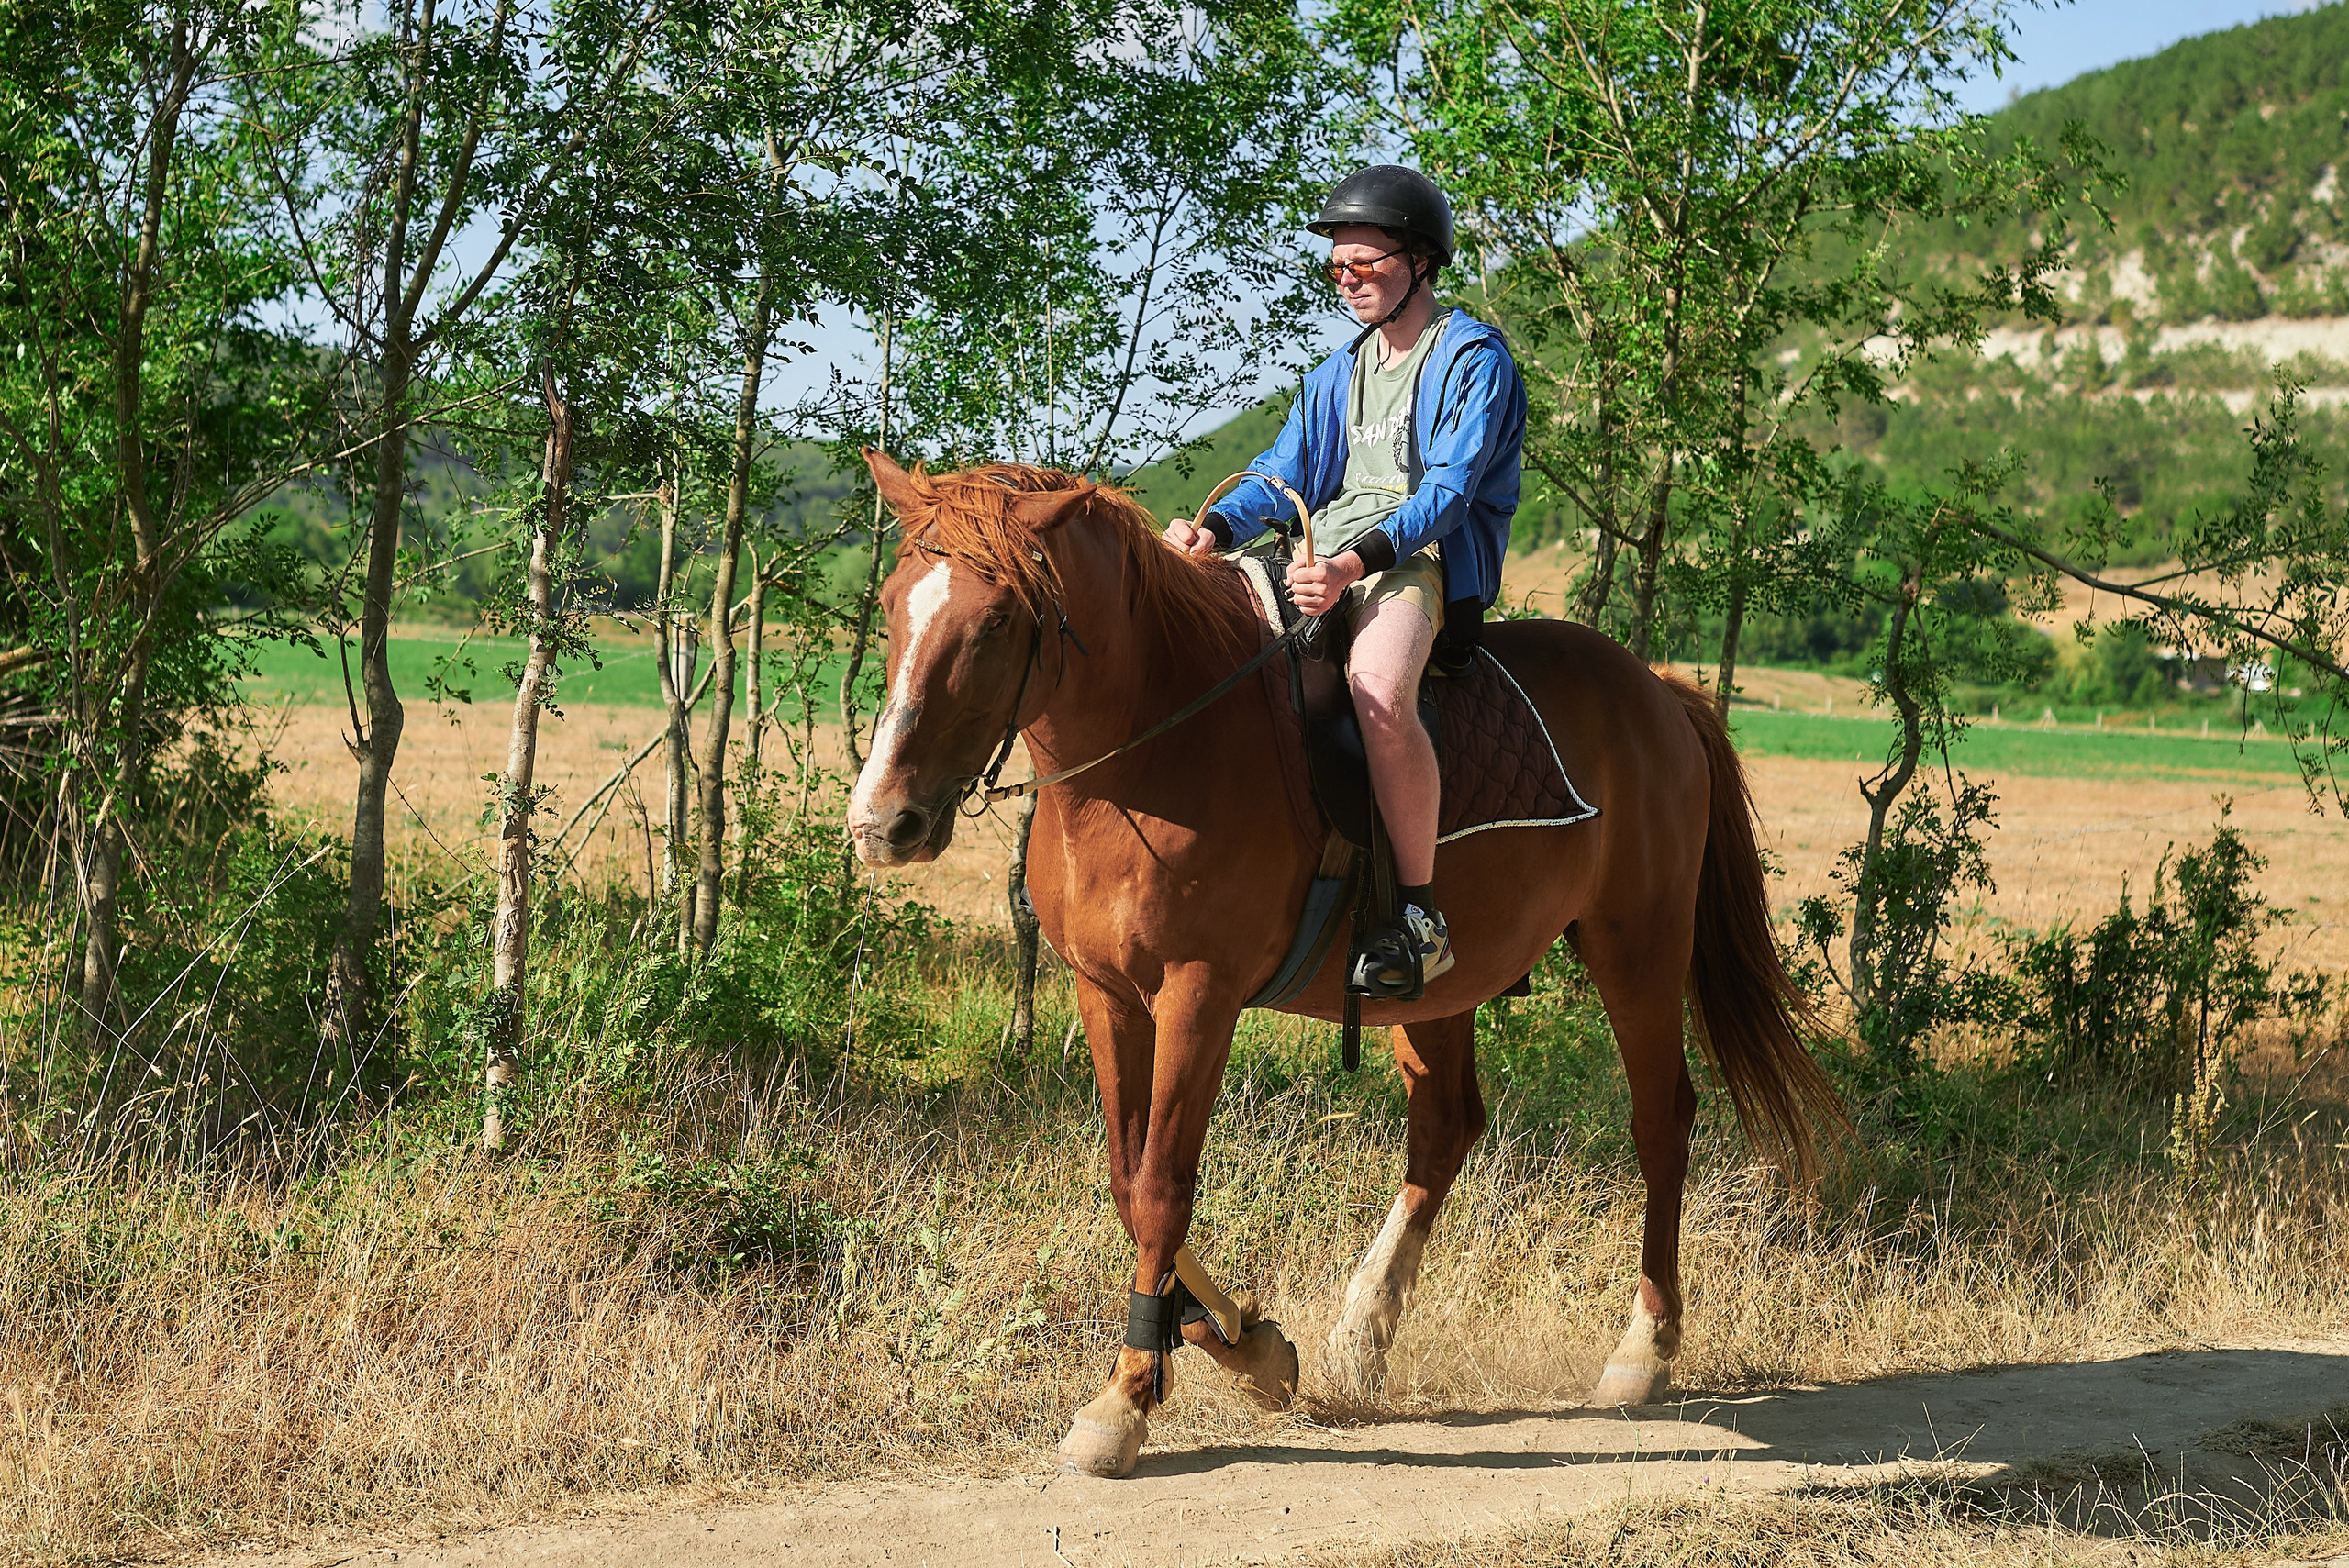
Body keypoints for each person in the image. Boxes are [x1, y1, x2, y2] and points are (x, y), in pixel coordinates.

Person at [1164, 165, 1527, 994]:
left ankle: (1420, 918)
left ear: (1422, 263)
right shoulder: (1338, 373)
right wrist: (1209, 530)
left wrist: (1349, 564)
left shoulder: (1473, 360)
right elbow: (1282, 470)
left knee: (1374, 688)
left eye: (1364, 264)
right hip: (1321, 553)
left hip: (1418, 559)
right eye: (1338, 268)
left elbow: (1448, 493)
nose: (1348, 281)